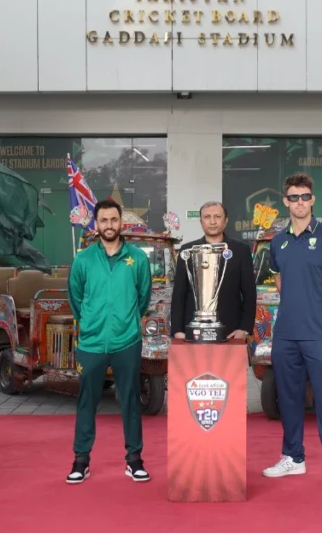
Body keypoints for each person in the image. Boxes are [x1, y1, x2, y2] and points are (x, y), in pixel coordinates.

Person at [262, 172, 322, 489]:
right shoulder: (278, 241)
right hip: (286, 333)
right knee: (288, 398)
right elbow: (279, 280)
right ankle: (293, 457)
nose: (299, 202)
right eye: (293, 197)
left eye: (304, 197)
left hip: (321, 334)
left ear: (312, 200)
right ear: (285, 201)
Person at [66, 198, 153, 484]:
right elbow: (75, 298)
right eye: (103, 220)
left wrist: (127, 322)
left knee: (130, 400)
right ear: (96, 224)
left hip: (127, 341)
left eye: (114, 219)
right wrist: (91, 322)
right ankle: (81, 460)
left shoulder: (137, 259)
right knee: (87, 401)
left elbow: (143, 298)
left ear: (121, 222)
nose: (109, 225)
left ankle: (134, 459)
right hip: (92, 343)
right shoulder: (83, 260)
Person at [170, 201, 256, 341]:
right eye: (207, 217)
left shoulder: (240, 250)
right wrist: (177, 330)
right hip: (193, 331)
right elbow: (179, 294)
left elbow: (249, 293)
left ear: (226, 220)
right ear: (201, 221)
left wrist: (244, 328)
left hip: (231, 331)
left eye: (217, 216)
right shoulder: (187, 251)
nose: (212, 222)